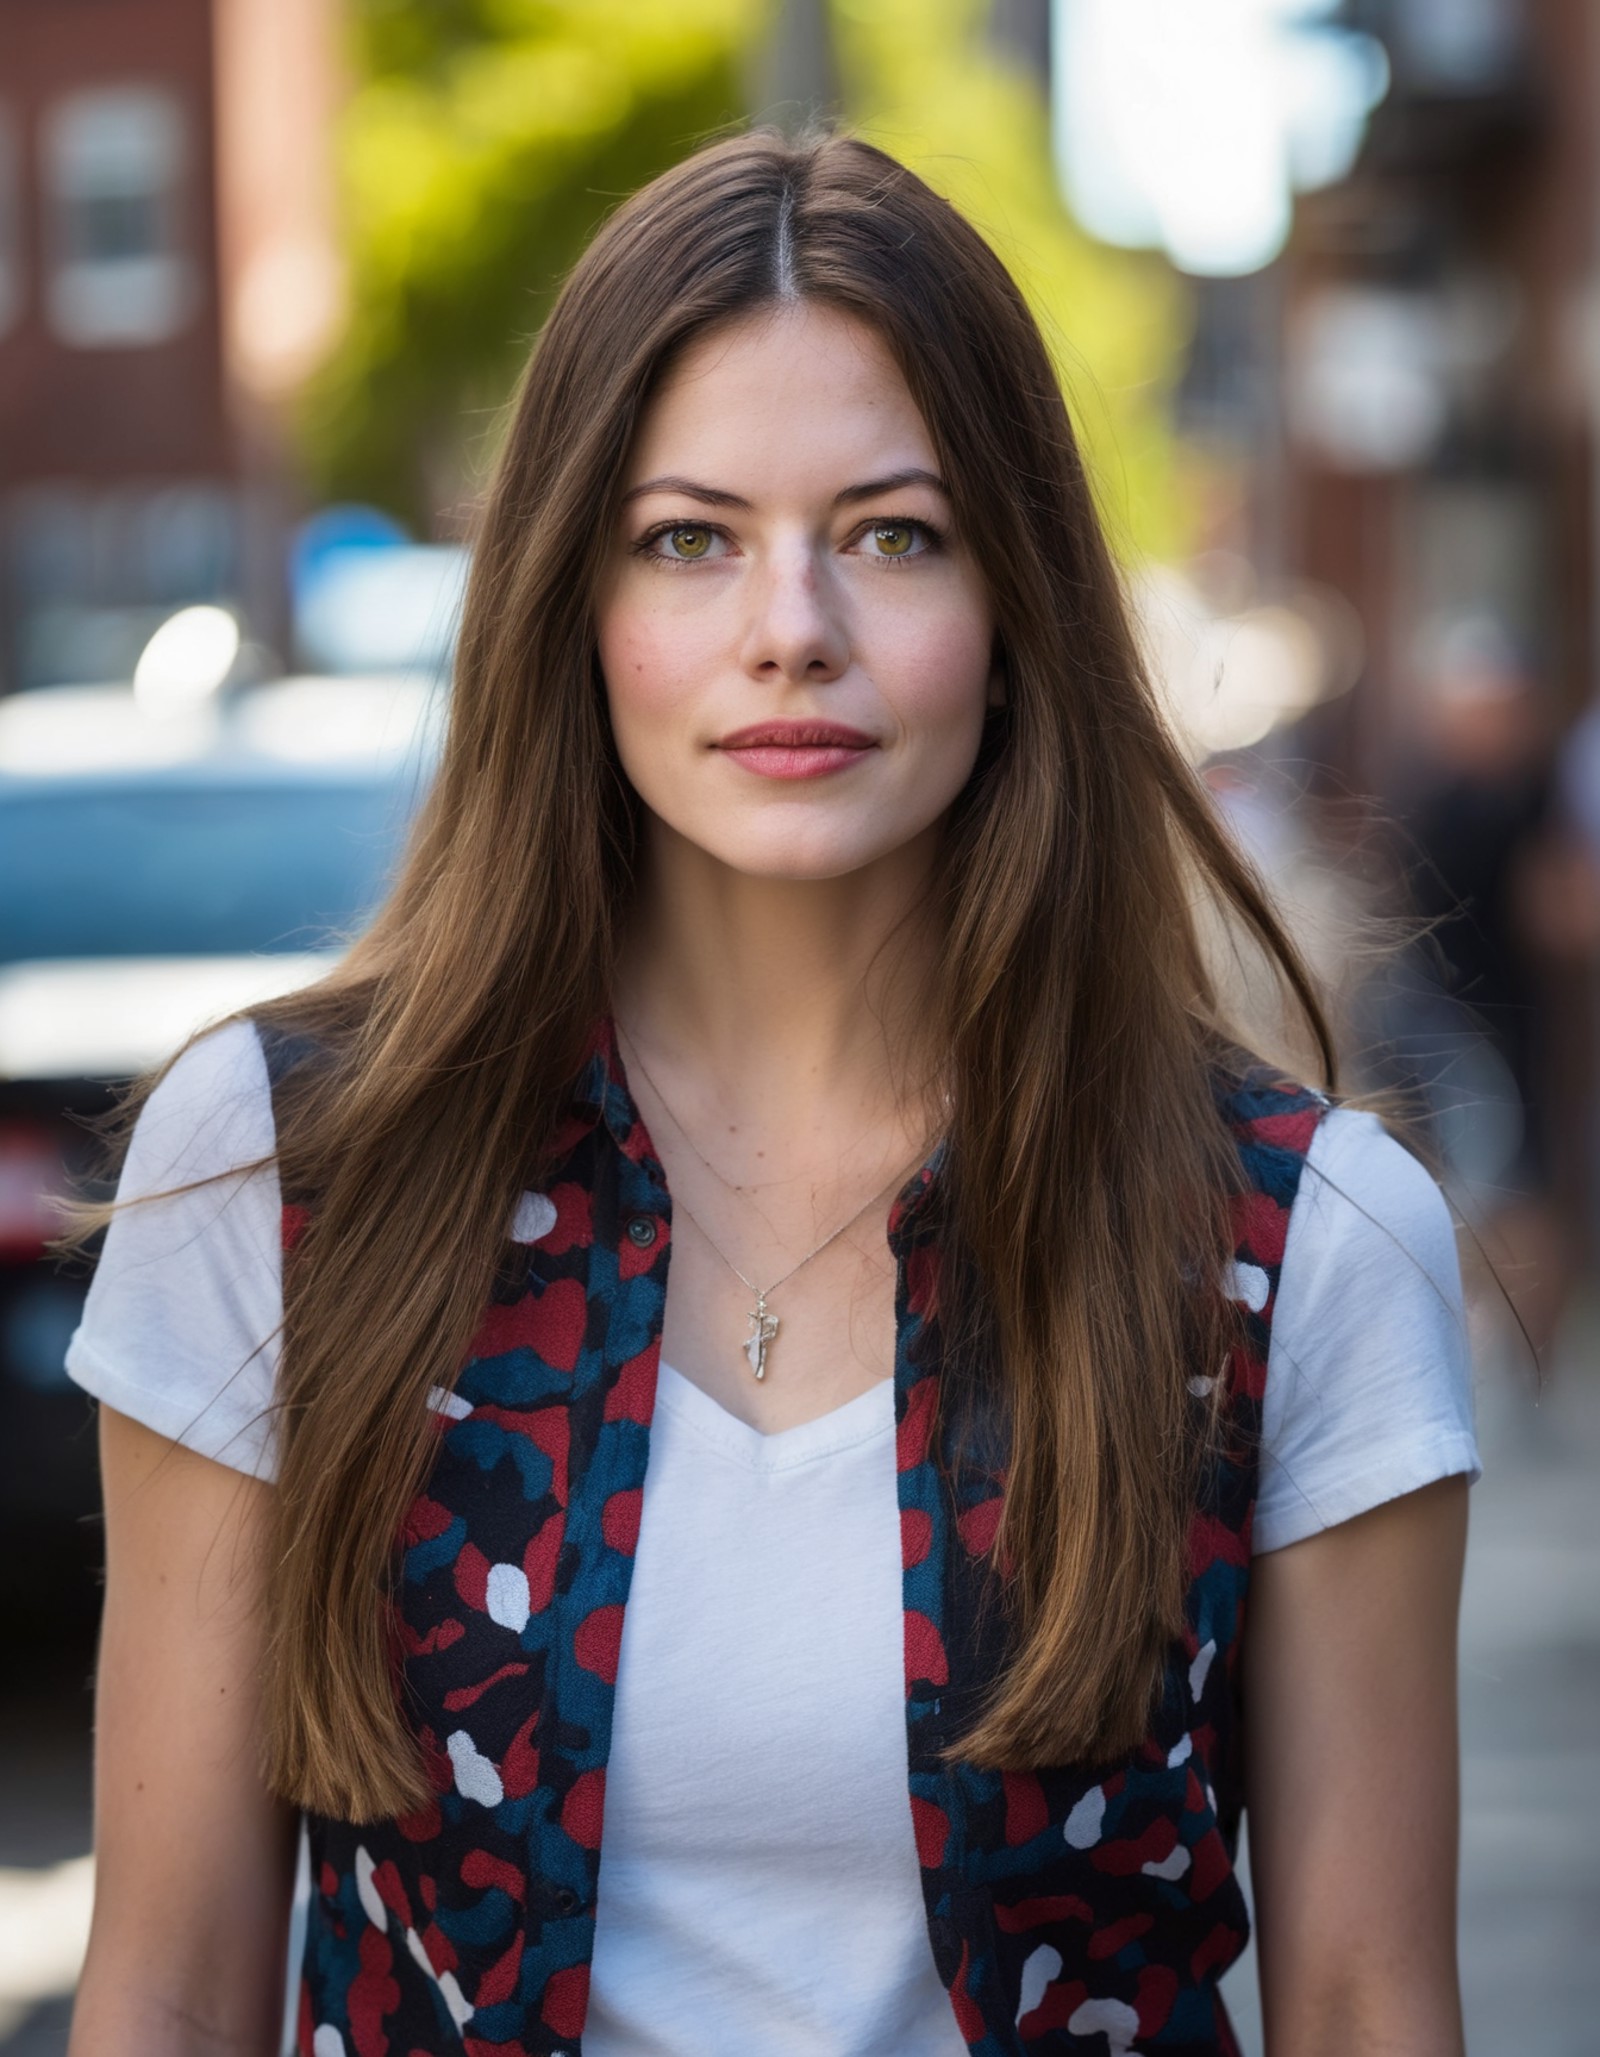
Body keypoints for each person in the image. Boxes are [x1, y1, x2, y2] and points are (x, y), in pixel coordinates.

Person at [65, 131, 1477, 2057]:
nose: (789, 623)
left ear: (1016, 606)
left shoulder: (1295, 1244)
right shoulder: (288, 1170)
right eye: (689, 537)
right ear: (575, 601)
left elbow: (1366, 2000)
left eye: (894, 532)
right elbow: (163, 1989)